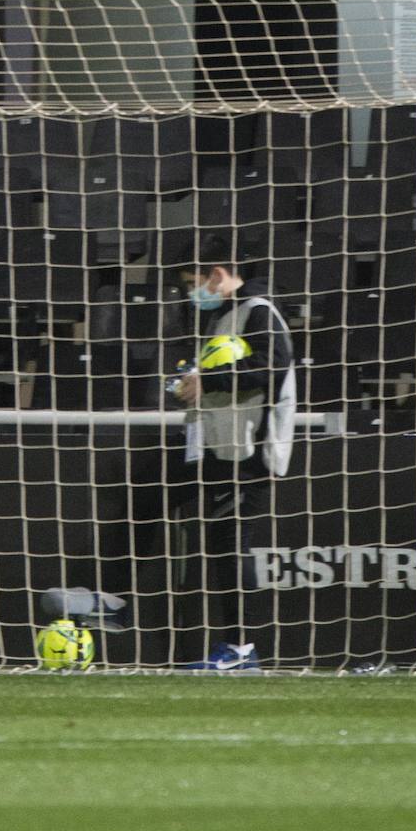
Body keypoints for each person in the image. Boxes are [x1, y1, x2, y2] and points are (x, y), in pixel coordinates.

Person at [172, 239, 296, 671]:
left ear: (218, 273)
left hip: (253, 451)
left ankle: (241, 649)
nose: (194, 292)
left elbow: (270, 366)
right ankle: (236, 648)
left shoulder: (259, 310)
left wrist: (209, 380)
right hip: (225, 448)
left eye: (196, 282)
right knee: (223, 545)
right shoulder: (225, 317)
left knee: (233, 545)